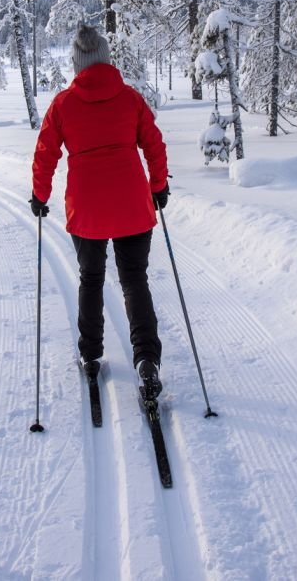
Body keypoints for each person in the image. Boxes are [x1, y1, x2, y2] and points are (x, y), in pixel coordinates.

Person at [30, 24, 170, 398]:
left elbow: (45, 154)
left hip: (87, 210)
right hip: (132, 208)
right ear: (106, 60)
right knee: (133, 280)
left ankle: (91, 355)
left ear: (77, 64)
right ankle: (147, 360)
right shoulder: (130, 99)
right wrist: (159, 186)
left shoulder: (63, 104)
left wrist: (39, 196)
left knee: (91, 280)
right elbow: (154, 145)